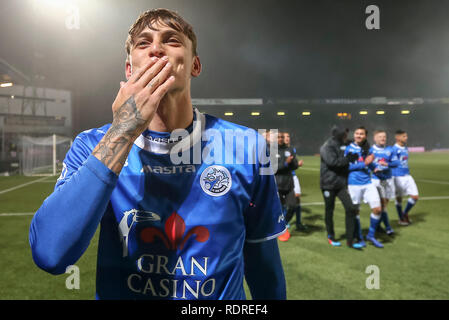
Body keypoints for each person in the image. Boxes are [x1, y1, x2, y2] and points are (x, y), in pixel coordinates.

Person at [29, 9, 286, 300]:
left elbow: (264, 263)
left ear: (195, 65)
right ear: (129, 70)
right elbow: (51, 254)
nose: (156, 49)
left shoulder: (246, 145)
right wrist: (123, 131)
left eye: (172, 40)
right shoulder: (92, 145)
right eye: (143, 43)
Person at [319, 125, 362, 249]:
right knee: (329, 210)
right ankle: (330, 236)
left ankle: (350, 240)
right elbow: (333, 163)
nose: (346, 135)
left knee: (351, 208)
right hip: (328, 184)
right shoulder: (327, 146)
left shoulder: (346, 144)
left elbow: (359, 146)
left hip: (341, 183)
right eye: (344, 133)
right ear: (337, 133)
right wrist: (348, 159)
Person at [345, 127, 384, 248]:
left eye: (361, 134)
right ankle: (359, 238)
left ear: (365, 136)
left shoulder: (368, 149)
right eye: (357, 133)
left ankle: (371, 235)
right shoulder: (349, 149)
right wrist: (365, 164)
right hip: (354, 184)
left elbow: (370, 163)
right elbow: (347, 167)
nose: (358, 135)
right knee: (356, 212)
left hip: (368, 182)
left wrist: (375, 168)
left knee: (377, 209)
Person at [369, 130, 399, 235]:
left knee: (384, 205)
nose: (383, 138)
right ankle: (388, 228)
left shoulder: (390, 149)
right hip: (377, 180)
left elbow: (396, 163)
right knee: (381, 205)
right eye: (380, 136)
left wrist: (387, 164)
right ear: (375, 138)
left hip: (389, 180)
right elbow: (366, 163)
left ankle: (376, 226)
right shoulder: (371, 150)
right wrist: (373, 169)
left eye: (384, 136)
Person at [392, 130, 419, 225]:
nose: (406, 138)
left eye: (406, 136)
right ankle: (401, 218)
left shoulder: (405, 148)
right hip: (397, 177)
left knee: (415, 196)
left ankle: (405, 213)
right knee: (398, 199)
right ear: (398, 137)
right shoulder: (393, 149)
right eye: (404, 136)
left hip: (407, 176)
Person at [275, 132, 299, 242]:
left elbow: (294, 165)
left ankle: (284, 225)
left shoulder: (290, 149)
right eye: (278, 137)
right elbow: (273, 167)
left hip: (289, 184)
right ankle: (279, 229)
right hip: (277, 185)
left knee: (293, 206)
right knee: (279, 209)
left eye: (281, 137)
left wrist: (294, 163)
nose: (280, 139)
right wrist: (285, 163)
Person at [283, 132, 306, 231]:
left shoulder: (293, 149)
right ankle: (283, 222)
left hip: (293, 177)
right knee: (283, 202)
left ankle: (298, 222)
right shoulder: (278, 150)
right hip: (282, 179)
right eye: (285, 136)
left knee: (297, 198)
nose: (287, 138)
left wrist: (297, 164)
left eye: (288, 136)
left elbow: (293, 164)